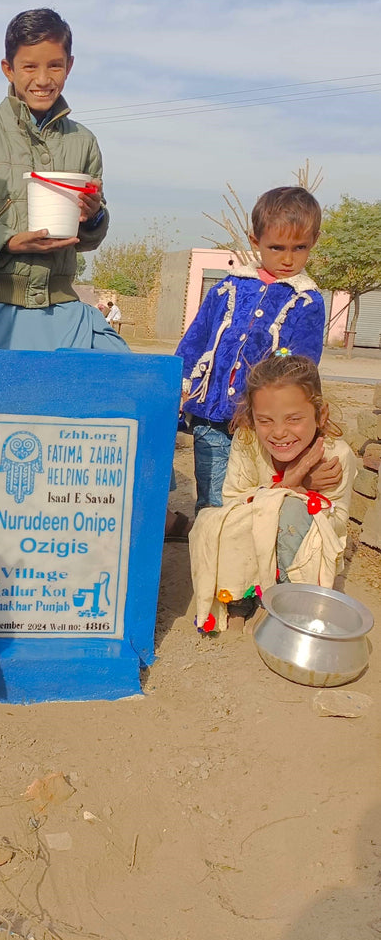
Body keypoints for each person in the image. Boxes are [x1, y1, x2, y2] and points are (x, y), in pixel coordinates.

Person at [0, 8, 125, 352]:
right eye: (30, 66)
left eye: (55, 66)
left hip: (60, 310)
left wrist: (92, 215)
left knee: (97, 393)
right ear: (9, 69)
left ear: (70, 66)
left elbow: (89, 237)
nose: (43, 79)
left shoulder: (83, 141)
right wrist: (7, 241)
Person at [176, 186, 325, 513]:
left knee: (254, 500)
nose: (288, 258)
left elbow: (303, 367)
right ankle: (211, 558)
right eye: (277, 247)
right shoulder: (227, 287)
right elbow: (196, 339)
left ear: (313, 241)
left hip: (265, 427)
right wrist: (179, 386)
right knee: (213, 500)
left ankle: (246, 560)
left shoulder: (307, 302)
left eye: (299, 248)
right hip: (212, 418)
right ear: (255, 242)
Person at [188, 354, 355, 634]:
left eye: (294, 419)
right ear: (252, 418)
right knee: (214, 520)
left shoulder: (336, 456)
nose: (279, 432)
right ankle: (242, 596)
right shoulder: (247, 440)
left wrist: (295, 494)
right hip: (255, 537)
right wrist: (293, 480)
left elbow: (334, 524)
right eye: (265, 420)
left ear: (320, 415)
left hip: (305, 553)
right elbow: (234, 500)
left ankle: (282, 601)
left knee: (293, 511)